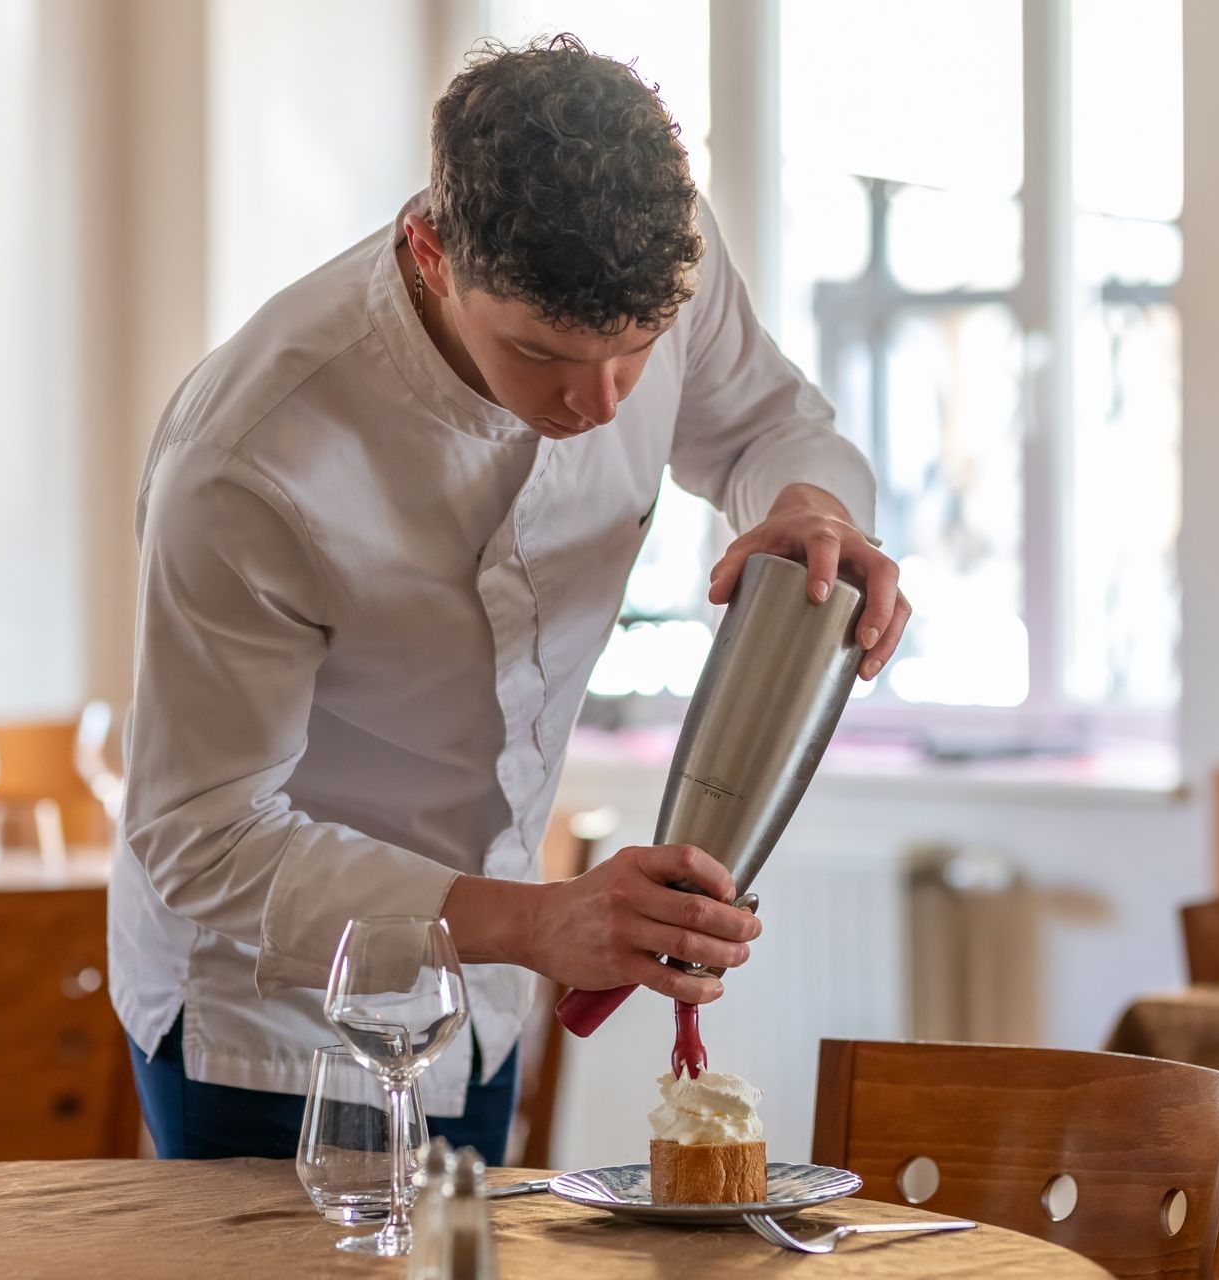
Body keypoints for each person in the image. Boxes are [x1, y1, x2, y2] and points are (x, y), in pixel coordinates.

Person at [113, 35, 907, 1164]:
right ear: (430, 253)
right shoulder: (247, 457)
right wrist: (537, 921)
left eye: (635, 355)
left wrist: (816, 509)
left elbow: (770, 423)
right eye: (542, 354)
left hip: (485, 1006)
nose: (599, 401)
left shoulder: (665, 259)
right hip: (270, 1024)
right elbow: (202, 837)